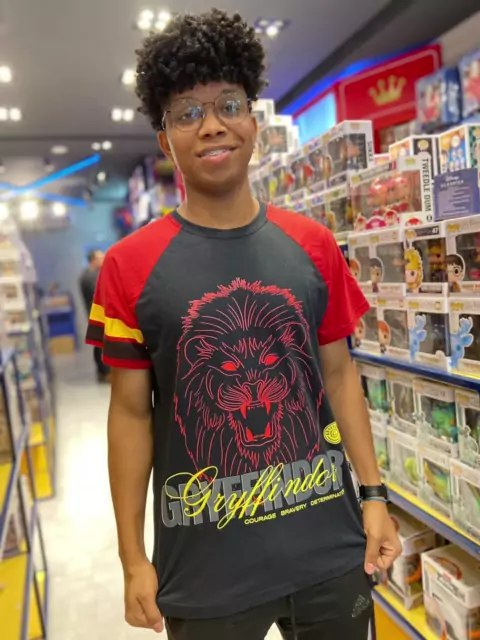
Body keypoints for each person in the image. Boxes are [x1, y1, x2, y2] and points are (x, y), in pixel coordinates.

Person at [86, 9, 401, 640]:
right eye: (186, 113)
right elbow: (130, 414)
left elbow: (340, 375)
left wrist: (373, 496)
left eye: (228, 105)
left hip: (329, 548)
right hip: (205, 573)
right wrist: (132, 557)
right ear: (164, 140)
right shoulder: (127, 266)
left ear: (253, 122)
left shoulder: (313, 244)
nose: (211, 126)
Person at [79, 249, 109, 382]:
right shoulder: (90, 277)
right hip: (98, 314)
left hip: (97, 314)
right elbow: (100, 294)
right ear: (93, 260)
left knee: (99, 344)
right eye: (101, 258)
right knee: (102, 344)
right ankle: (105, 372)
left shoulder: (91, 274)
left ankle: (102, 371)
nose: (103, 260)